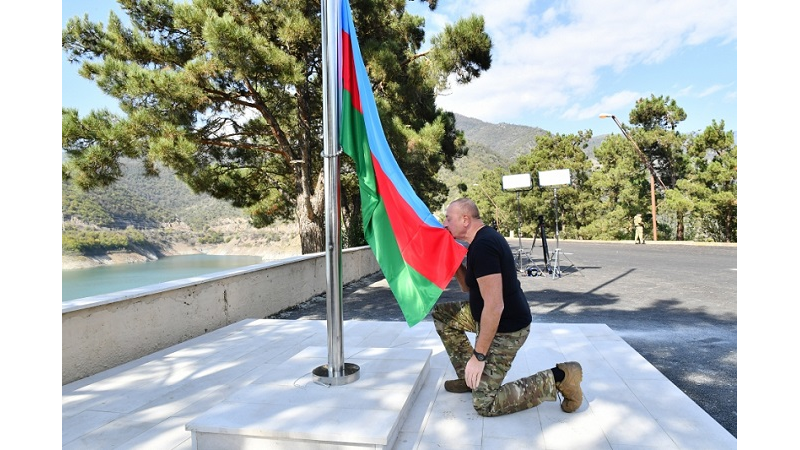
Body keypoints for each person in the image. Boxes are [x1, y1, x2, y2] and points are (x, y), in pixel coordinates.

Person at [433, 197, 583, 417]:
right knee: (442, 314)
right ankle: (471, 379)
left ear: (465, 219)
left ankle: (561, 377)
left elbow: (494, 306)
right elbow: (467, 286)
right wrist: (452, 258)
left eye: (448, 218)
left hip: (507, 328)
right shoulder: (477, 242)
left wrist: (479, 356)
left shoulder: (484, 246)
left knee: (485, 405)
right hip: (483, 317)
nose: (444, 223)